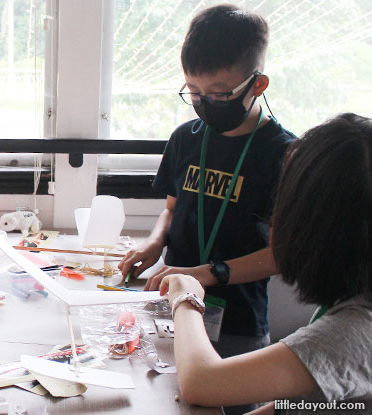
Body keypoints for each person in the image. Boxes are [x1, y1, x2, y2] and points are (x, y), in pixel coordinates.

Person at [117, 6, 295, 413]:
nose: (204, 102)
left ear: (258, 84)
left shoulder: (283, 154)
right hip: (172, 306)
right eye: (193, 92)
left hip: (237, 322)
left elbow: (281, 255)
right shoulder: (185, 137)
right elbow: (172, 207)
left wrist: (204, 275)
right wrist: (154, 243)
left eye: (218, 93)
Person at [160, 113, 372, 414]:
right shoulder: (354, 300)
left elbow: (200, 381)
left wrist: (186, 294)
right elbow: (301, 406)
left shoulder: (356, 330)